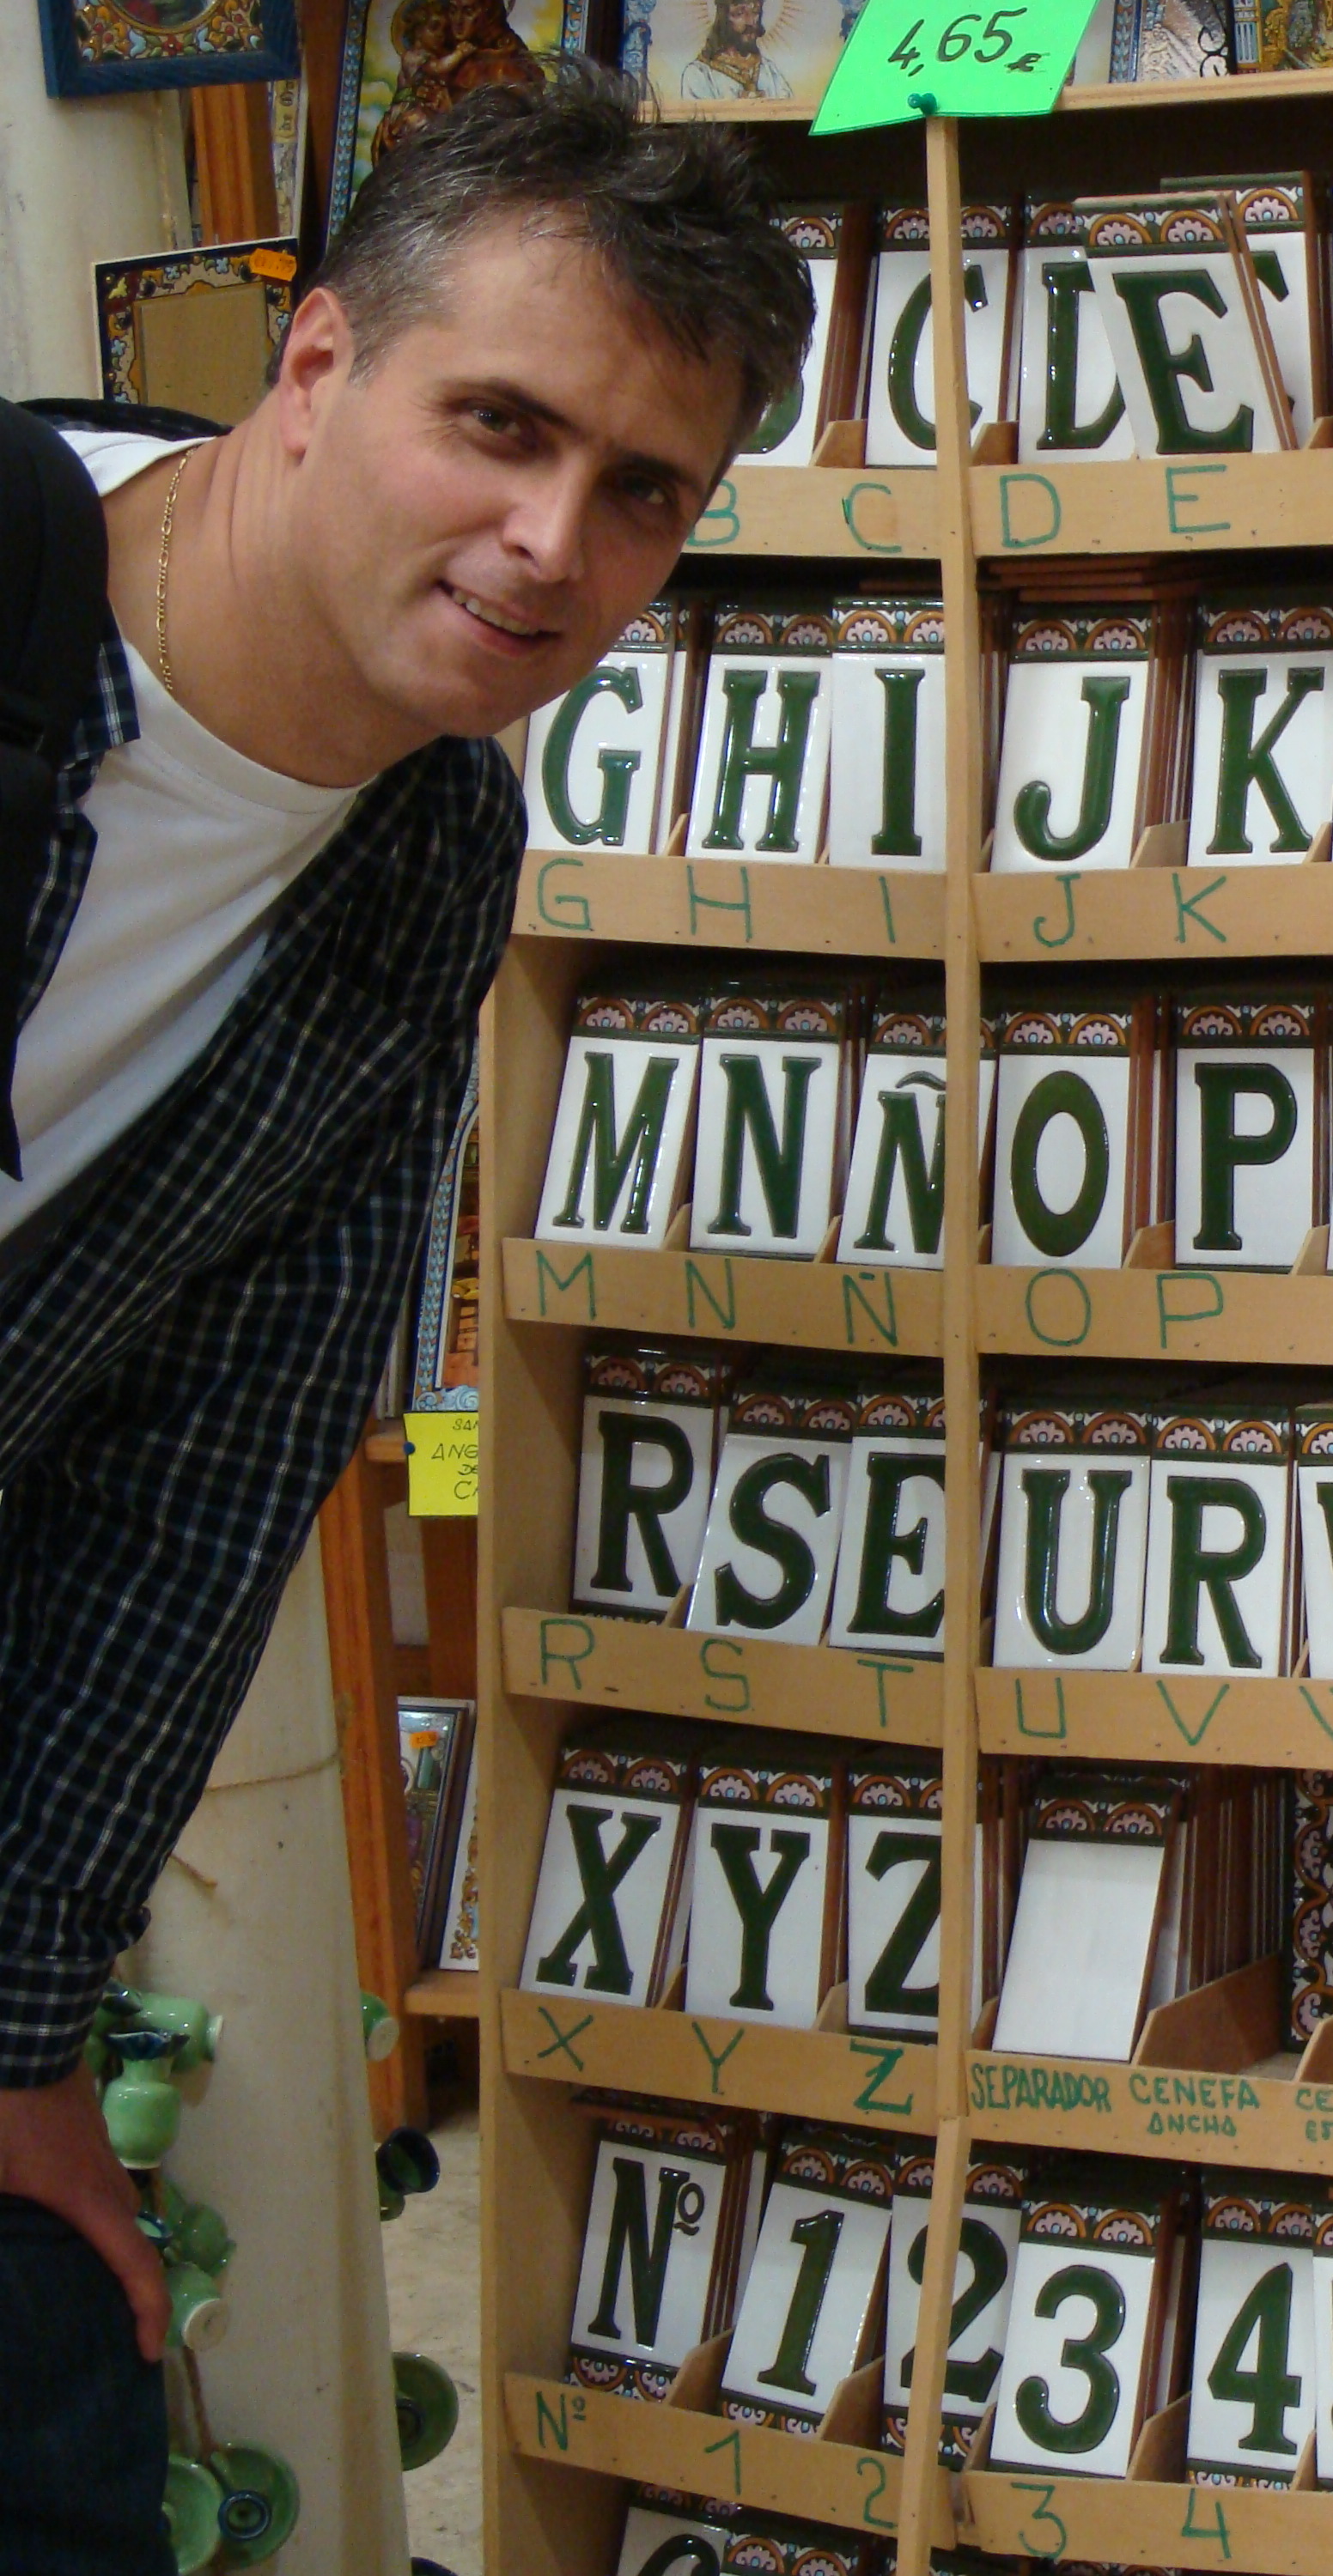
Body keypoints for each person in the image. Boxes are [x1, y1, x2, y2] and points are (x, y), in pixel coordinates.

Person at [0, 65, 809, 2569]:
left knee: (55, 2433)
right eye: (500, 425)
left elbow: (201, 1472)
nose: (552, 543)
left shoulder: (425, 854)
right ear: (318, 362)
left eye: (644, 490)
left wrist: (21, 2049)